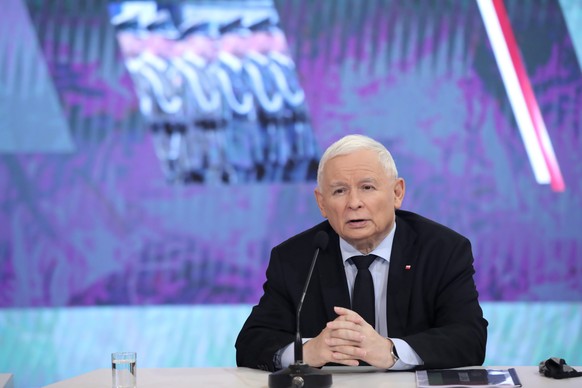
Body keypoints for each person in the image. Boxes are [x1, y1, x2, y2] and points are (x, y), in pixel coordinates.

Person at [235, 134, 488, 372]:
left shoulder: (442, 251)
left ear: (397, 193)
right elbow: (251, 343)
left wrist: (390, 351)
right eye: (339, 191)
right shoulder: (296, 258)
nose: (354, 203)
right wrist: (306, 351)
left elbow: (470, 338)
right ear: (322, 203)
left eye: (367, 187)